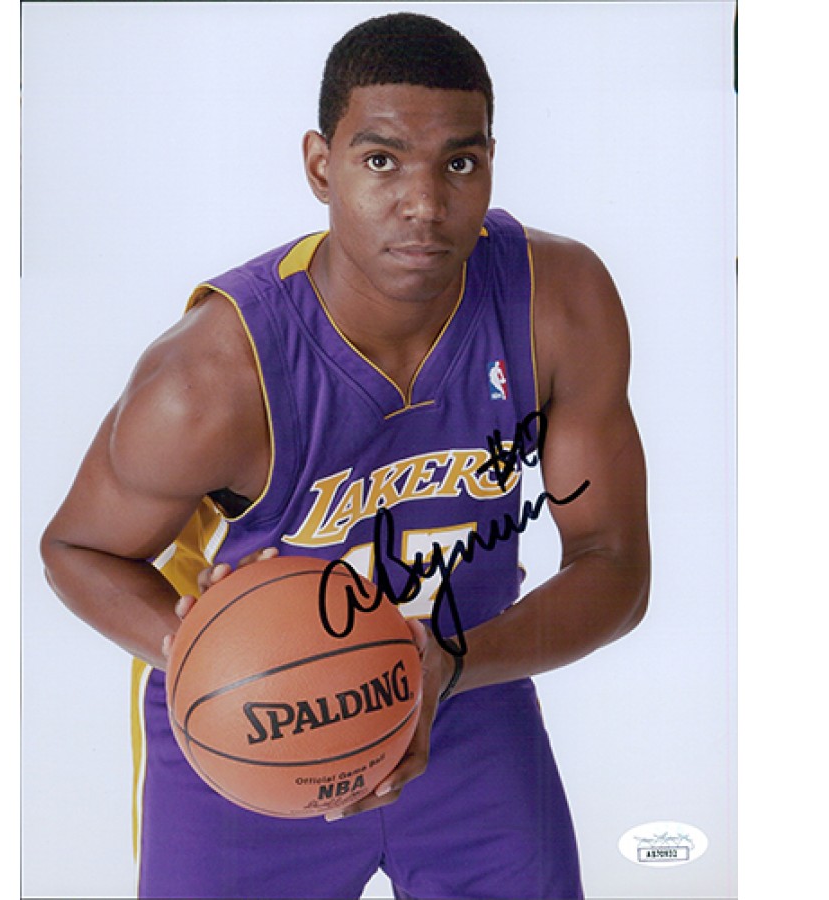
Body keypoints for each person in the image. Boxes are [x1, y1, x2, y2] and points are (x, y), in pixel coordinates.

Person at [41, 12, 649, 900]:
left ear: (490, 162)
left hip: (469, 694)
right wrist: (214, 657)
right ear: (321, 166)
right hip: (253, 729)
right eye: (381, 161)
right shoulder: (212, 376)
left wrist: (444, 669)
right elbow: (77, 548)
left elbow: (614, 562)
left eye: (459, 163)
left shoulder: (557, 304)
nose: (424, 204)